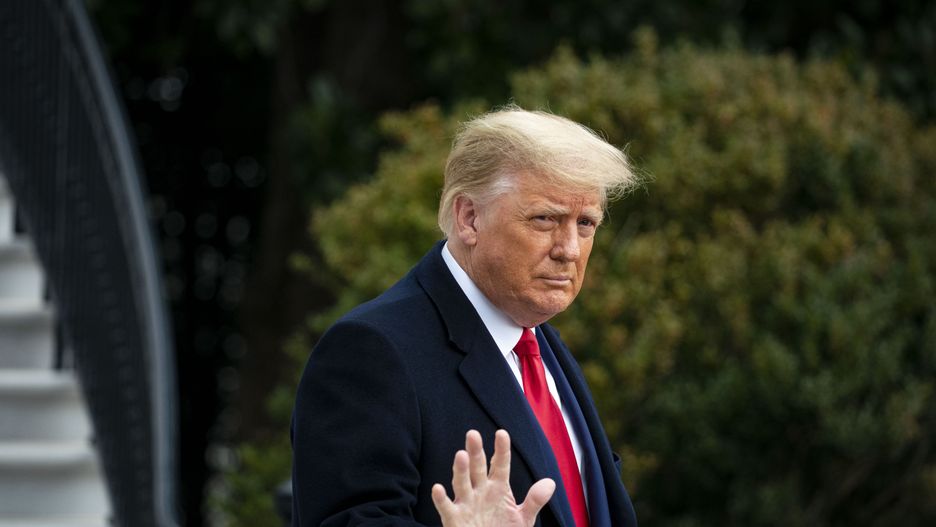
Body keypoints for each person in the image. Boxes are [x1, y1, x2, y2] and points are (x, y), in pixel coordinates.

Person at [291, 106, 639, 527]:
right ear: (469, 218)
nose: (569, 249)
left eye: (585, 223)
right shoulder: (369, 351)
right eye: (545, 219)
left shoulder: (541, 343)